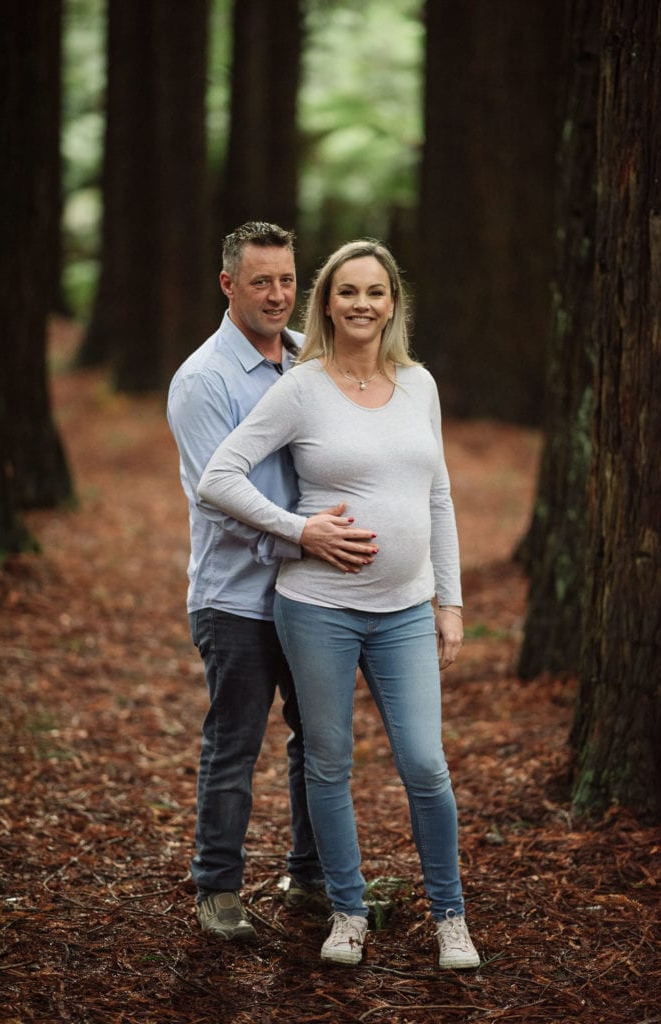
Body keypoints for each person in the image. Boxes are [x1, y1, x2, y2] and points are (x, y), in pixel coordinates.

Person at [196, 239, 480, 970]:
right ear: (326, 302)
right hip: (316, 607)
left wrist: (449, 602)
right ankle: (347, 910)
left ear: (393, 304)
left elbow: (439, 496)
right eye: (347, 291)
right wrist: (300, 530)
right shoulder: (301, 386)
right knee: (327, 763)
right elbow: (218, 478)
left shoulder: (420, 384)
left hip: (407, 610)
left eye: (375, 293)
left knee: (425, 765)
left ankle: (450, 915)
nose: (362, 304)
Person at [167, 223, 378, 943]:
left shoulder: (304, 360)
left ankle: (309, 876)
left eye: (287, 281)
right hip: (236, 598)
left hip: (311, 592)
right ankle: (217, 887)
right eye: (261, 282)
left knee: (316, 743)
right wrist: (302, 536)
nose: (277, 295)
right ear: (228, 284)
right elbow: (215, 497)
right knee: (235, 743)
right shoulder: (203, 379)